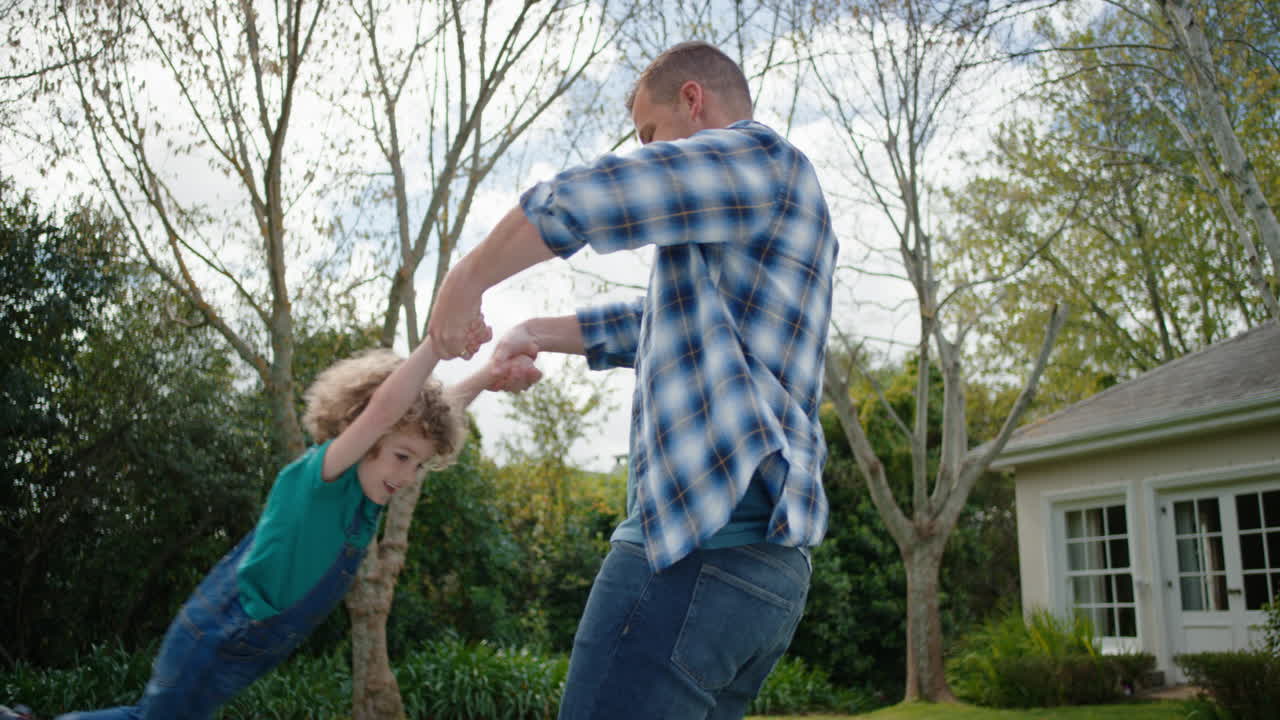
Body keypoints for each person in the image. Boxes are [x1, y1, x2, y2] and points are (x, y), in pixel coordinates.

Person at [428, 40, 838, 720]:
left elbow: (603, 195)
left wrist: (467, 278)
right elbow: (660, 323)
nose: (647, 151)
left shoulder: (758, 158)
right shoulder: (775, 206)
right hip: (764, 579)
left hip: (697, 552)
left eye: (649, 133)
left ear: (692, 100)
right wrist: (536, 331)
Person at [54, 323, 541, 720]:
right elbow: (384, 411)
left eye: (418, 464)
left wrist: (488, 374)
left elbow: (433, 412)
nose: (408, 475)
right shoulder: (321, 479)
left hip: (245, 652)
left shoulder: (368, 495)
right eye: (402, 457)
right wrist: (436, 344)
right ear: (360, 431)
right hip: (214, 636)